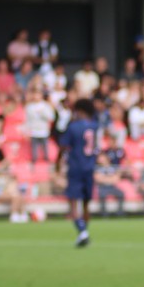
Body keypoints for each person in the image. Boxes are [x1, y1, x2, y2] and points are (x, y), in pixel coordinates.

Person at [57, 98, 98, 247]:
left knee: (73, 202)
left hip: (76, 167)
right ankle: (84, 233)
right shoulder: (94, 126)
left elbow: (63, 146)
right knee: (86, 203)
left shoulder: (73, 127)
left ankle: (82, 232)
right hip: (90, 167)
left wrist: (58, 164)